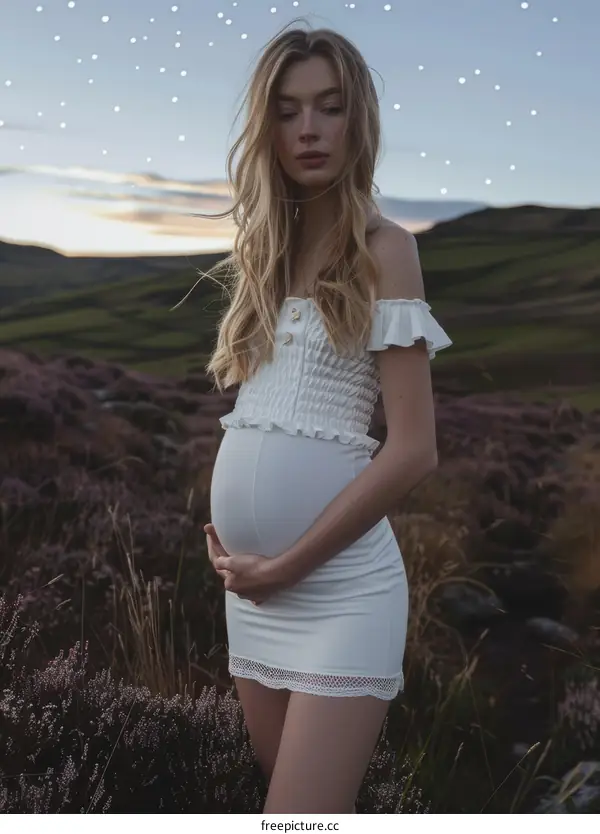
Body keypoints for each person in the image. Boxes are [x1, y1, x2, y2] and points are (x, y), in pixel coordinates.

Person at [195, 21, 452, 814]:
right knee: (292, 808)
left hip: (340, 592)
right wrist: (254, 565)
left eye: (330, 107)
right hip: (254, 597)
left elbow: (414, 451)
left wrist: (287, 564)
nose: (309, 128)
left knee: (295, 820)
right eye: (288, 109)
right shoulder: (263, 253)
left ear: (358, 120)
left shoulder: (385, 248)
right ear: (266, 126)